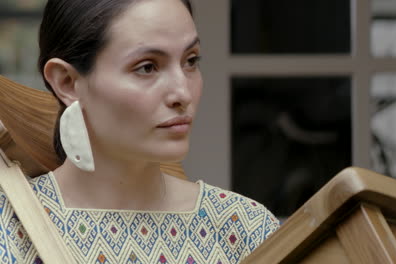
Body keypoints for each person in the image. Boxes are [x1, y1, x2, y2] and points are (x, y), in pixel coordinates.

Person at [0, 0, 280, 263]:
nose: (182, 93)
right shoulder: (9, 229)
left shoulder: (244, 228)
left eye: (191, 61)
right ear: (68, 82)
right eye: (147, 67)